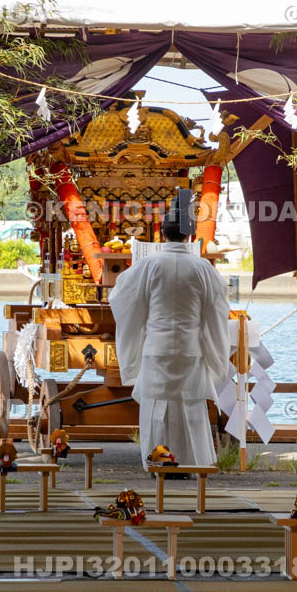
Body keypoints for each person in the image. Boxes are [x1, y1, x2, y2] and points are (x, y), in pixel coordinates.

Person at [109, 190, 230, 468]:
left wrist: (140, 329)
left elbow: (121, 298)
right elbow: (217, 309)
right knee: (190, 406)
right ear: (189, 237)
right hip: (190, 347)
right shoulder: (203, 269)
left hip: (157, 347)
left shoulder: (149, 265)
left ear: (163, 235)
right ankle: (192, 463)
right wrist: (214, 351)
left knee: (157, 406)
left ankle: (157, 462)